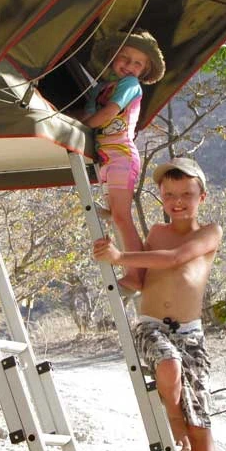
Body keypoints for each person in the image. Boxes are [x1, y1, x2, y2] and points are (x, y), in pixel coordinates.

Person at [93, 157, 220, 451]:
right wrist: (117, 234)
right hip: (151, 326)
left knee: (201, 423)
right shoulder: (158, 232)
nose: (177, 202)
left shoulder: (209, 233)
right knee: (168, 365)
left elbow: (175, 259)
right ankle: (173, 417)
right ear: (161, 198)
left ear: (201, 197)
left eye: (187, 195)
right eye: (170, 195)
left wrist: (121, 257)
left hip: (190, 334)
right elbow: (139, 277)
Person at [76, 29, 165, 291]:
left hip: (121, 155)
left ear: (144, 70)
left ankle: (136, 275)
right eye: (124, 58)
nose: (129, 66)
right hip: (107, 158)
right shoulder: (100, 89)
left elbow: (107, 114)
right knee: (117, 216)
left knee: (122, 218)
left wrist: (81, 124)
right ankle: (134, 272)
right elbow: (90, 115)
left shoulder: (129, 85)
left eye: (137, 63)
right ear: (114, 58)